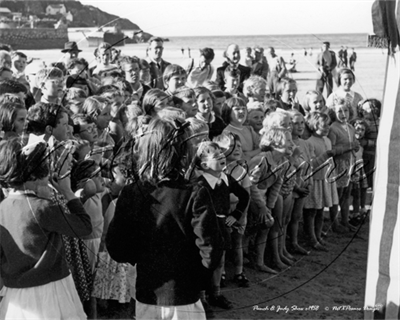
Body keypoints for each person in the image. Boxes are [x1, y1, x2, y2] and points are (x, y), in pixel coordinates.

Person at [106, 117, 224, 320]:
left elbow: (117, 246)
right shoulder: (194, 192)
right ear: (183, 151)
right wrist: (197, 277)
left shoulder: (131, 192)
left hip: (147, 290)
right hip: (183, 292)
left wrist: (141, 259)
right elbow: (211, 246)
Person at [0, 138, 91, 319]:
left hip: (16, 294)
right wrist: (68, 192)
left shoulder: (2, 207)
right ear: (34, 176)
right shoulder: (42, 207)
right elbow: (84, 227)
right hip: (52, 289)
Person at [194, 141, 249, 310]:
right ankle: (201, 296)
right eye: (216, 156)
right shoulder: (200, 185)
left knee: (220, 260)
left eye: (222, 154)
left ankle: (216, 294)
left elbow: (244, 195)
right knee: (205, 261)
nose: (222, 157)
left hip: (223, 226)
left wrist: (235, 216)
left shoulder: (226, 179)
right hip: (206, 228)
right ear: (204, 164)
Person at [303, 111, 338, 248]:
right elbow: (310, 163)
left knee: (320, 210)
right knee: (311, 211)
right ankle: (311, 238)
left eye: (328, 125)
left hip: (325, 179)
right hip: (315, 181)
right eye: (324, 126)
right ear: (314, 125)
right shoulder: (309, 142)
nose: (328, 128)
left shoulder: (327, 140)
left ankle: (318, 236)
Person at [328, 98, 360, 232]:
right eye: (339, 111)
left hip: (351, 164)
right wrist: (349, 146)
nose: (343, 114)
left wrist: (355, 147)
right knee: (338, 195)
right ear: (333, 113)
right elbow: (332, 149)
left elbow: (353, 145)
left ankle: (345, 221)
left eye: (345, 110)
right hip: (339, 165)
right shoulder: (333, 128)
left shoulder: (351, 127)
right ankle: (334, 223)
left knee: (347, 194)